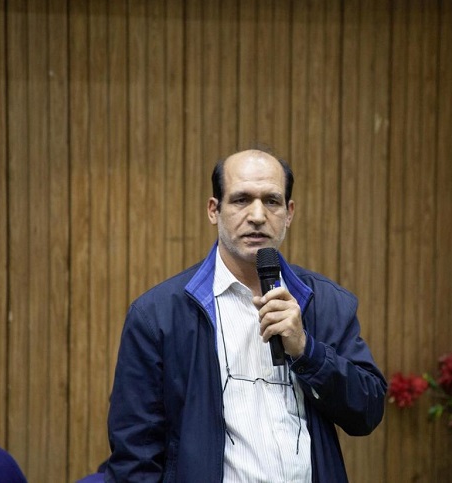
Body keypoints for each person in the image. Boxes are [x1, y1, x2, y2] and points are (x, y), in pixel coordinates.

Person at [106, 148, 387, 482]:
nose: (257, 215)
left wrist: (307, 351)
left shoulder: (326, 303)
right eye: (241, 200)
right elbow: (135, 454)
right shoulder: (157, 316)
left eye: (271, 201)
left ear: (289, 213)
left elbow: (367, 412)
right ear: (214, 210)